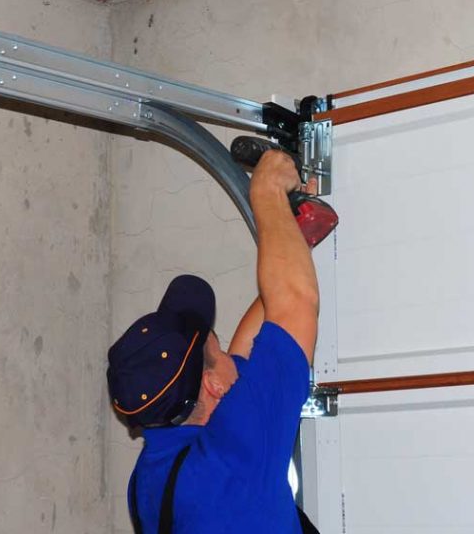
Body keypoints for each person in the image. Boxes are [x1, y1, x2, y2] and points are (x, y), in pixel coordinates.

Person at [107, 150, 321, 533]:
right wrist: (267, 192)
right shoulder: (233, 460)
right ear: (212, 385)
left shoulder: (148, 479)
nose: (231, 355)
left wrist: (293, 240)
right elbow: (295, 304)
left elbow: (263, 337)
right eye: (218, 349)